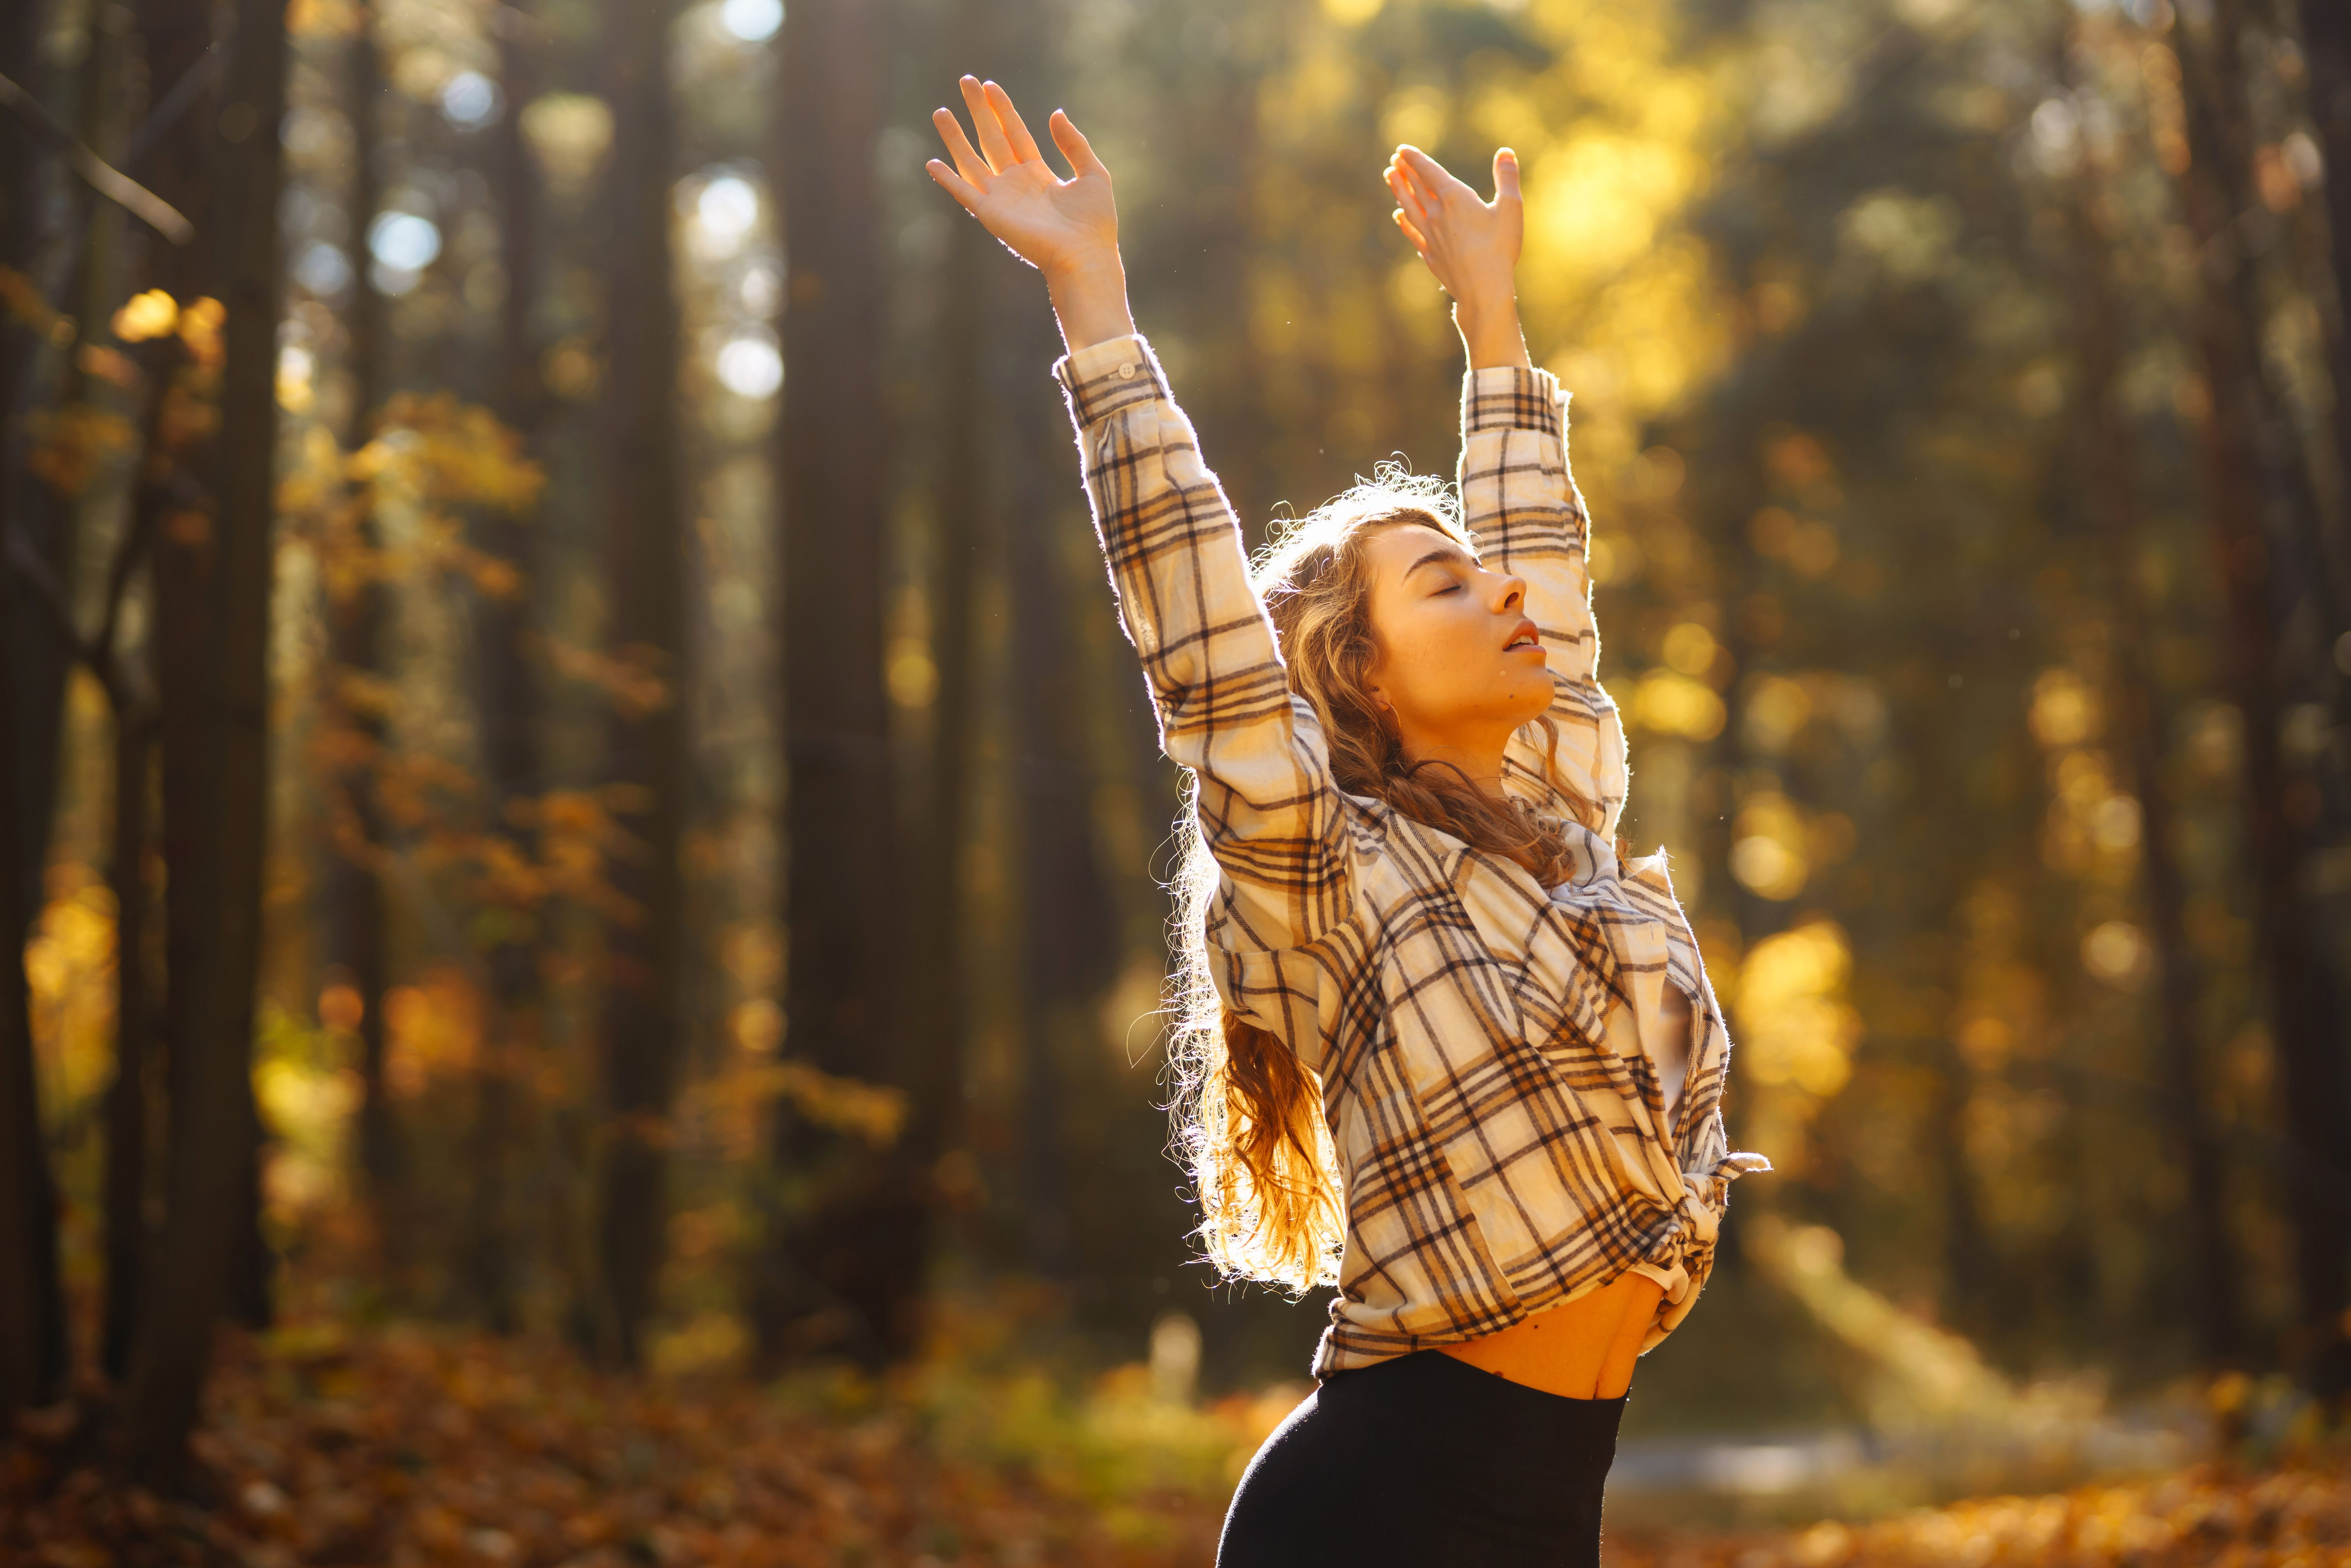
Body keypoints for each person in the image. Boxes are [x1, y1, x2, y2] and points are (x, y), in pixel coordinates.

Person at [926, 75, 1770, 1568]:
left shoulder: (1557, 829)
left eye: (1480, 571)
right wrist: (1093, 296)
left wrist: (1492, 326)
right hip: (1381, 1512)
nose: (1503, 593)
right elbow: (1202, 640)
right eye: (1444, 585)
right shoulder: (1333, 872)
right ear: (1355, 673)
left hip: (1546, 1512)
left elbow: (1548, 577)